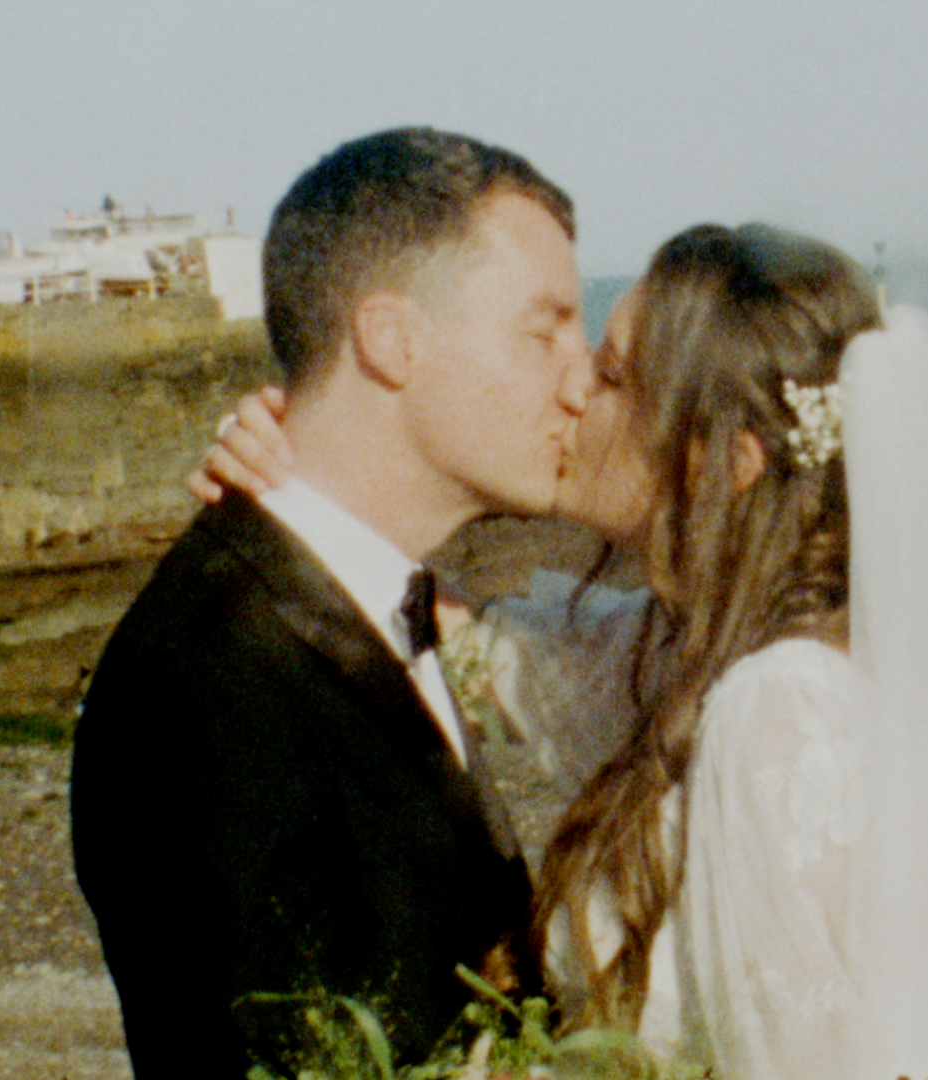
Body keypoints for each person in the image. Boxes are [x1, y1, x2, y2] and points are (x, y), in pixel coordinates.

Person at [203, 223, 928, 1079]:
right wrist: (297, 477)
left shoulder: (775, 712)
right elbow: (457, 637)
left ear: (722, 460)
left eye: (609, 375)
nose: (568, 392)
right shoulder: (669, 649)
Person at [72, 127, 594, 1077]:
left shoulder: (380, 605)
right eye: (546, 329)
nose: (584, 380)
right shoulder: (212, 685)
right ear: (393, 340)